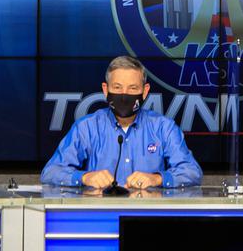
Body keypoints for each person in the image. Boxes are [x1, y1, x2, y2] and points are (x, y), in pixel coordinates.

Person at [41, 55, 202, 189]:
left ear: (145, 91)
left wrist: (157, 179)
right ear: (105, 90)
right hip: (99, 215)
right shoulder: (86, 128)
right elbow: (51, 172)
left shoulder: (164, 128)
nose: (124, 95)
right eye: (117, 87)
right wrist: (85, 177)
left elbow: (192, 171)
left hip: (149, 215)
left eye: (132, 88)